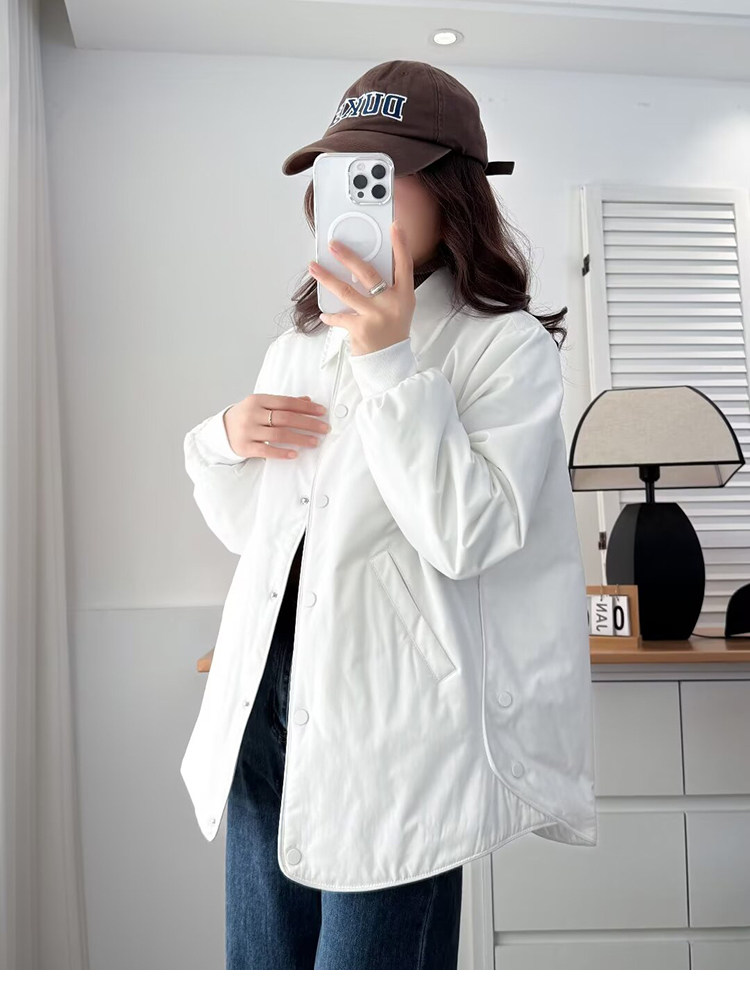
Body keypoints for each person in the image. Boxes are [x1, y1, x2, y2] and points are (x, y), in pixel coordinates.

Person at [181, 59, 597, 971]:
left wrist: (388, 365)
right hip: (265, 707)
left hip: (396, 736)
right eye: (339, 172)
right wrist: (222, 439)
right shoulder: (299, 347)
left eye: (381, 171)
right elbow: (255, 535)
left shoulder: (506, 348)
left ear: (453, 189)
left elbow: (467, 536)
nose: (353, 194)